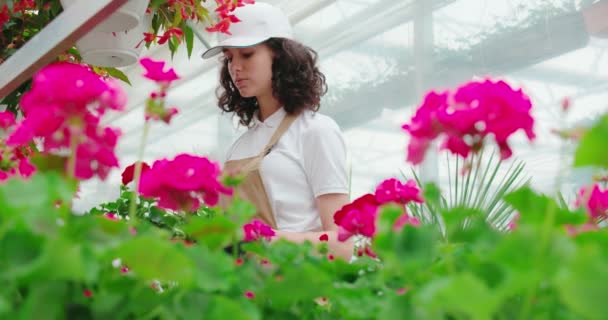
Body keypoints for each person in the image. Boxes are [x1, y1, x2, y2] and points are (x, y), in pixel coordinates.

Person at [202, 2, 353, 260]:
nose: (235, 67)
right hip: (247, 293)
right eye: (229, 58)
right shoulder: (239, 147)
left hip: (302, 290)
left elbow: (342, 245)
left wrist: (265, 238)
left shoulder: (316, 131)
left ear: (281, 57)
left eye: (247, 54)